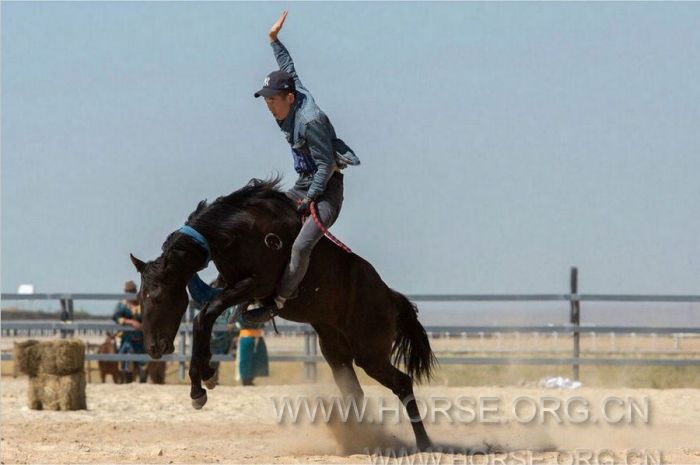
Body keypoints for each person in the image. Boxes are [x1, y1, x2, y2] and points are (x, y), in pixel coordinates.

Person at [112, 280, 146, 383]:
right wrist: (131, 322)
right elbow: (116, 317)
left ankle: (144, 375)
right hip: (126, 337)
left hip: (141, 338)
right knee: (123, 351)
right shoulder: (121, 305)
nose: (130, 293)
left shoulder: (142, 304)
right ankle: (124, 375)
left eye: (132, 291)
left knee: (146, 359)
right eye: (128, 291)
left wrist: (142, 326)